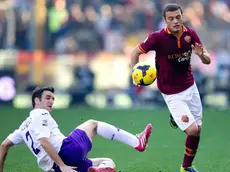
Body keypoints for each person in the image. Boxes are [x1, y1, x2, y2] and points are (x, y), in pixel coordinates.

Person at [130, 3, 211, 172]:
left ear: (183, 17)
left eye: (178, 17)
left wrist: (202, 55)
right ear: (165, 20)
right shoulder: (157, 38)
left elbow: (207, 60)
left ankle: (186, 167)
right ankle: (185, 166)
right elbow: (134, 52)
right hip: (171, 92)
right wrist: (135, 72)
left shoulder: (191, 34)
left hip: (190, 86)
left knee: (198, 130)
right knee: (193, 130)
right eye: (171, 18)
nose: (175, 21)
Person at [0, 87, 152, 172]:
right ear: (36, 101)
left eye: (53, 98)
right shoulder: (41, 114)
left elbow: (4, 146)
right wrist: (62, 165)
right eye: (47, 98)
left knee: (108, 162)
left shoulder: (22, 128)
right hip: (67, 153)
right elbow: (44, 141)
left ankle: (96, 171)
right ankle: (137, 142)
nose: (51, 101)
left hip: (55, 169)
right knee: (93, 124)